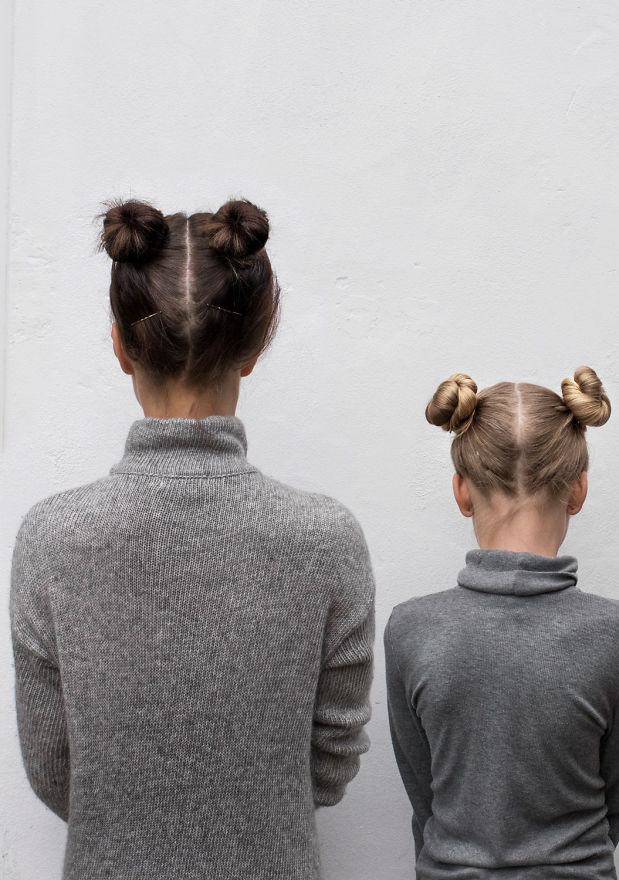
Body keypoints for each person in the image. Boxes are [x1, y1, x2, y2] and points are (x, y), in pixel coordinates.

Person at [10, 199, 375, 880]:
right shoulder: (326, 537)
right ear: (255, 346)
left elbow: (52, 765)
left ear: (120, 347)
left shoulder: (51, 539)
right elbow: (330, 757)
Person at [385, 369, 619, 880]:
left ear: (462, 491)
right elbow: (614, 800)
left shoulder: (410, 628)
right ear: (578, 490)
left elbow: (426, 800)